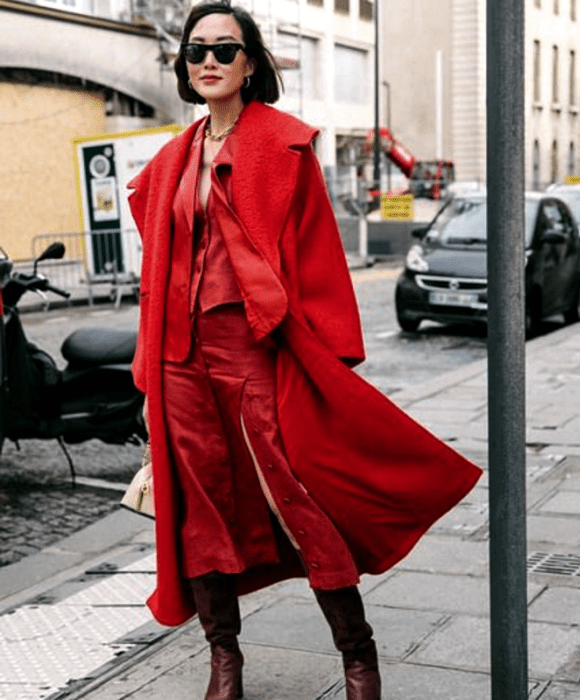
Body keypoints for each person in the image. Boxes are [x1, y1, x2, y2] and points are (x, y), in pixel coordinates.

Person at [127, 2, 482, 698]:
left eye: (224, 50)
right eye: (196, 49)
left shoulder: (283, 145)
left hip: (252, 349)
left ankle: (357, 655)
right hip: (179, 360)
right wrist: (149, 376)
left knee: (295, 497)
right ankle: (223, 661)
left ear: (250, 62)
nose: (207, 60)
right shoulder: (172, 159)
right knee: (198, 510)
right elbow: (155, 276)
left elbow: (318, 259)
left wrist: (321, 365)